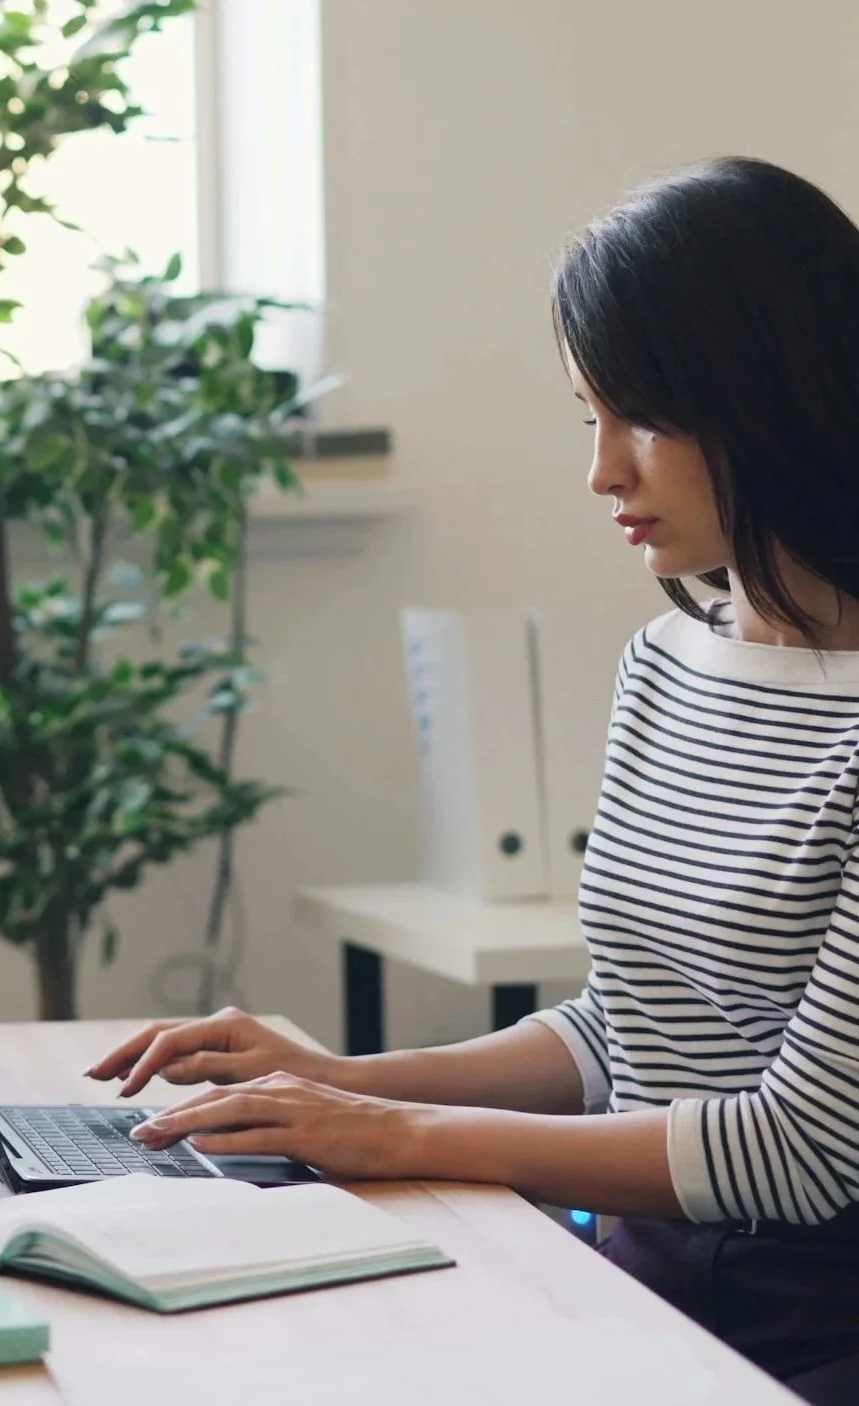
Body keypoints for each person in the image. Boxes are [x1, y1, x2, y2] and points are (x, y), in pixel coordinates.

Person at [85, 157, 859, 1404]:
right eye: (586, 417)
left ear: (772, 399)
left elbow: (802, 1148)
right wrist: (331, 1078)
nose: (601, 471)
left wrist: (395, 1137)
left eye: (642, 419)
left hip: (804, 1327)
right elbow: (626, 1032)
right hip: (633, 1274)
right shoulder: (667, 663)